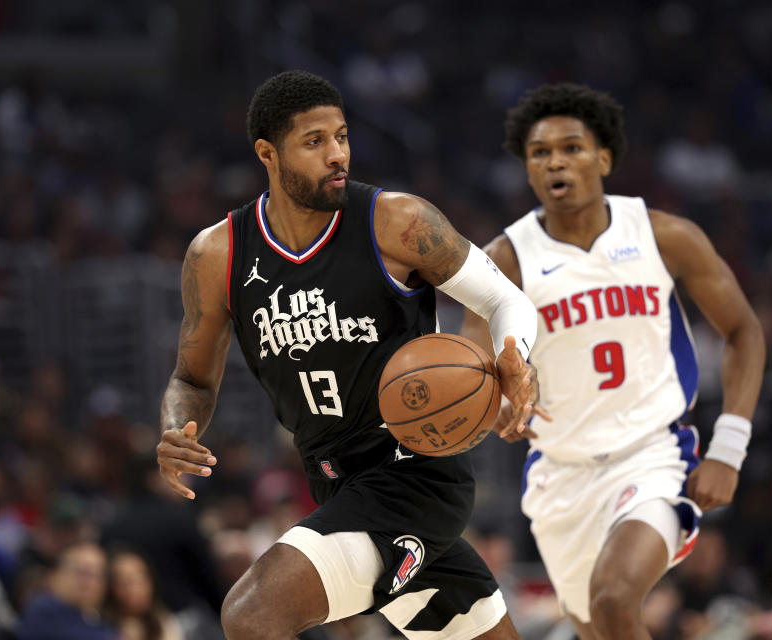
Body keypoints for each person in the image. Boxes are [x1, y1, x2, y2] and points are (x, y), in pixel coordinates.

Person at [155, 69, 542, 640]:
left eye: (342, 136)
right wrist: (175, 429)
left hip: (415, 471)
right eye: (315, 142)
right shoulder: (218, 254)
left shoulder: (397, 221)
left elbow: (505, 299)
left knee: (253, 614)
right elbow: (192, 376)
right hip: (336, 480)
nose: (337, 154)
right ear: (268, 152)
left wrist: (515, 355)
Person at [461, 82, 766, 640]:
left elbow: (744, 330)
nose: (556, 161)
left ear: (604, 157)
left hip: (652, 454)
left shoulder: (663, 235)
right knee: (596, 627)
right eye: (540, 152)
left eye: (572, 147)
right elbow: (472, 364)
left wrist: (729, 446)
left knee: (614, 598)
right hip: (561, 475)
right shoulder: (505, 258)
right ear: (528, 170)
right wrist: (498, 399)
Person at [14, 541, 117, 640]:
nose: (91, 583)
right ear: (60, 574)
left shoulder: (97, 618)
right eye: (84, 573)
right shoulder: (43, 608)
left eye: (98, 576)